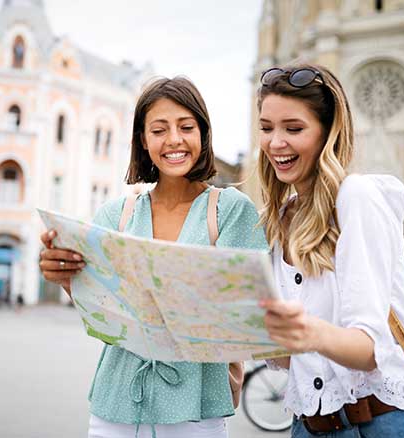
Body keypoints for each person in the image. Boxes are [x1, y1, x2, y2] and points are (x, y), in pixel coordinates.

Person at [39, 77, 267, 438]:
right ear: (143, 141)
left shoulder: (231, 210)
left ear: (203, 134)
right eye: (159, 130)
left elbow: (246, 315)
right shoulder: (117, 215)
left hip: (197, 410)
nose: (174, 139)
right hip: (115, 405)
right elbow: (105, 316)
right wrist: (67, 277)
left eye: (186, 127)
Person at [254, 64, 404, 437]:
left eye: (293, 129)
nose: (276, 143)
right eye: (266, 128)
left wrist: (305, 330)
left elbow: (369, 350)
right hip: (309, 426)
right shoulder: (280, 217)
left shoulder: (357, 196)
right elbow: (291, 360)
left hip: (383, 423)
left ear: (327, 132)